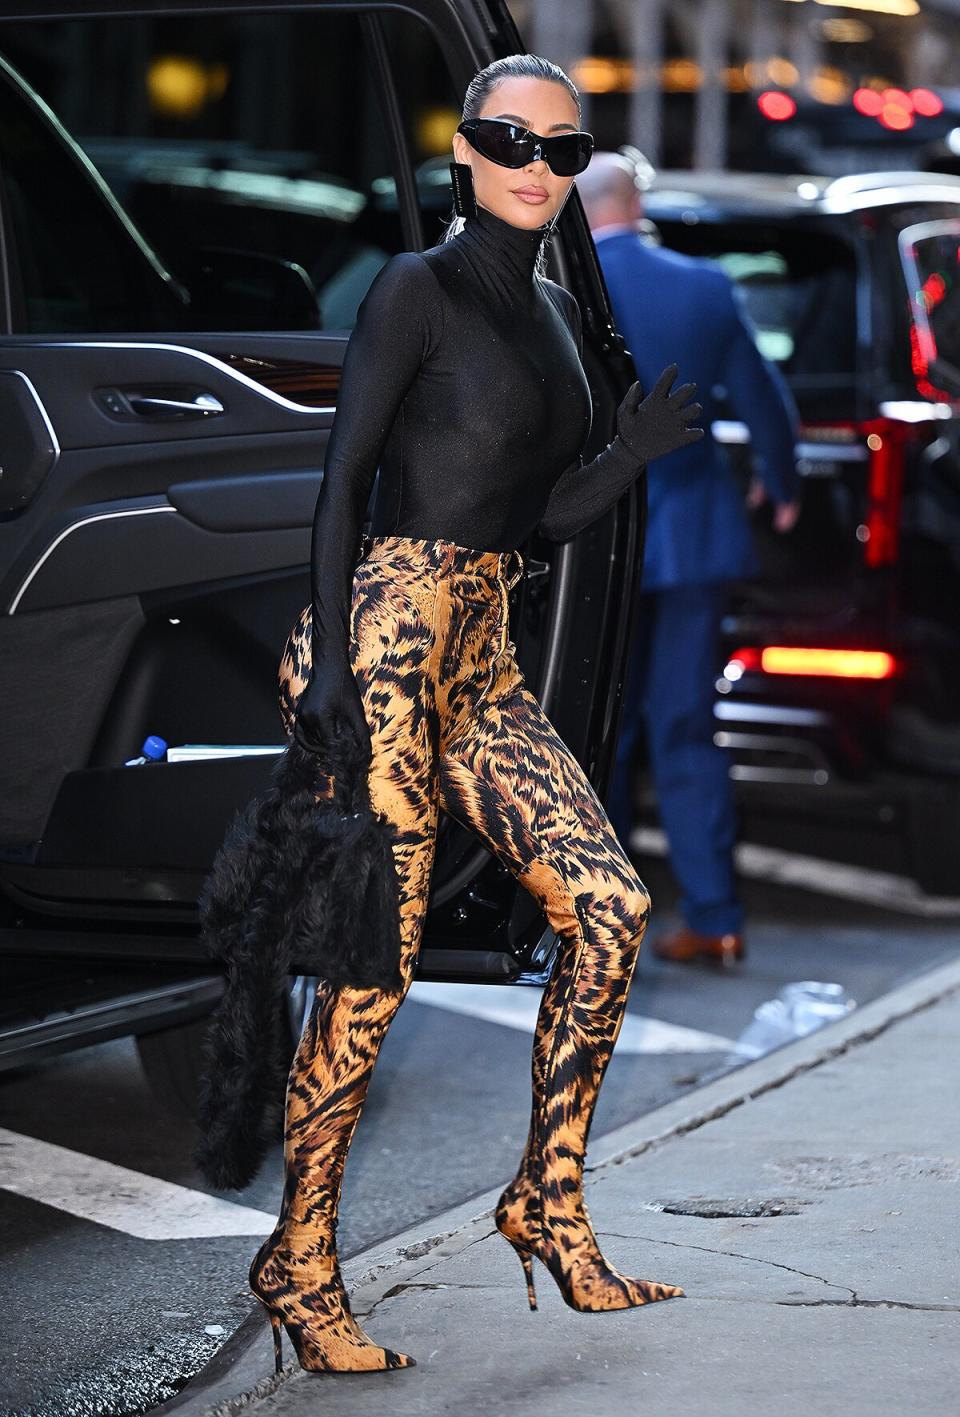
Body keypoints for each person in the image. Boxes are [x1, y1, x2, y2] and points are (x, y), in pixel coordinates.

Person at [246, 56, 703, 1375]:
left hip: (482, 653)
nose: (536, 164)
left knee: (608, 914)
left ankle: (545, 1201)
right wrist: (331, 669)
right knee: (370, 969)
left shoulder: (556, 312)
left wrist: (625, 457)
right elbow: (339, 491)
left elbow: (538, 516)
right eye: (512, 138)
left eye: (565, 148)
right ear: (464, 146)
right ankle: (303, 1259)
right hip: (384, 640)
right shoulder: (417, 289)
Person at [578, 152, 801, 968]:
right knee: (686, 725)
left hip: (598, 538)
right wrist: (781, 483)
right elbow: (763, 396)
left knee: (597, 729)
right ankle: (713, 914)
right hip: (698, 534)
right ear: (637, 199)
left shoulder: (561, 285)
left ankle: (596, 923)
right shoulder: (706, 286)